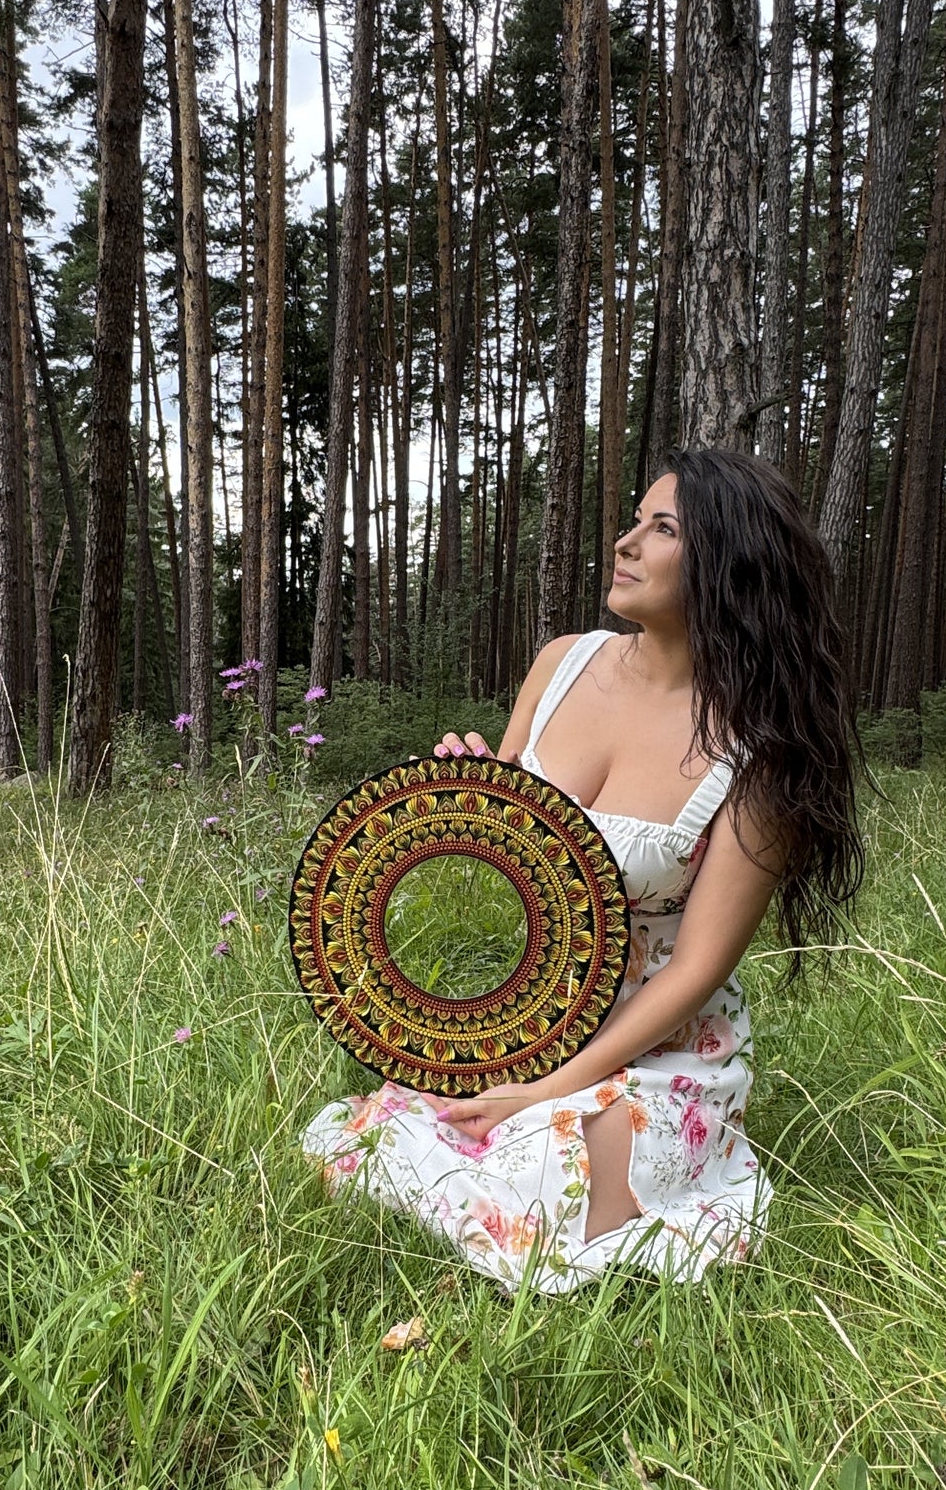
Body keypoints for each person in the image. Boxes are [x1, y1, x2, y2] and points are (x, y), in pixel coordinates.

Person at [301, 447, 865, 1293]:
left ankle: (630, 1157)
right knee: (387, 1125)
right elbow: (522, 866)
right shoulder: (562, 662)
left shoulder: (762, 752)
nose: (625, 541)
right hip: (533, 1018)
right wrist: (469, 793)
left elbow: (698, 970)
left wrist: (543, 1090)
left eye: (661, 528)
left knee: (542, 1168)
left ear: (728, 562)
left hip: (660, 1049)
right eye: (633, 519)